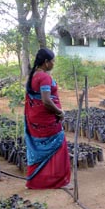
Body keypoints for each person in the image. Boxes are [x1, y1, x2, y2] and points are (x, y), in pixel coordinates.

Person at [24, 48, 72, 189]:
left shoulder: (33, 75)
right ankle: (59, 181)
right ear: (46, 62)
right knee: (58, 146)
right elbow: (46, 101)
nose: (53, 63)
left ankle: (38, 180)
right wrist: (59, 112)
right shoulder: (44, 77)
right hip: (47, 121)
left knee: (42, 149)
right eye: (52, 61)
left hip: (36, 120)